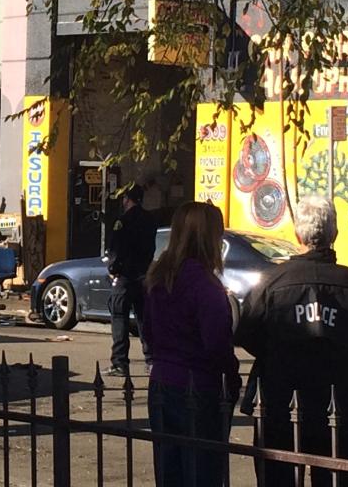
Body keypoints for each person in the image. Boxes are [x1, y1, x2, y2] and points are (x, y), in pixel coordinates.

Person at [236, 195, 348, 487]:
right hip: (339, 403)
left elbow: (246, 332)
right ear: (335, 234)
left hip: (280, 400)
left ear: (298, 234)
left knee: (278, 478)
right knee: (338, 478)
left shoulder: (271, 281)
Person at [143, 201, 239, 487]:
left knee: (169, 471)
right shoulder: (205, 285)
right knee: (202, 472)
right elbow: (217, 343)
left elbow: (148, 331)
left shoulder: (158, 278)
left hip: (161, 381)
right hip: (199, 386)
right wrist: (231, 375)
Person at [104, 183, 158, 377]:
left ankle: (120, 363)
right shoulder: (150, 220)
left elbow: (116, 249)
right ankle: (151, 360)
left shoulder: (123, 221)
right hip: (143, 276)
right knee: (144, 319)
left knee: (119, 318)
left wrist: (113, 269)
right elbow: (151, 248)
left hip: (125, 276)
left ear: (127, 199)